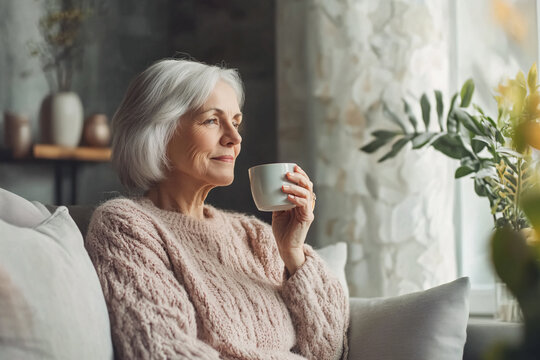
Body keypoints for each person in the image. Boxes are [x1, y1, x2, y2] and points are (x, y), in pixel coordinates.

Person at [85, 58, 349, 360]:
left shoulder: (254, 235)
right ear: (157, 131)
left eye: (235, 122)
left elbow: (329, 351)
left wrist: (294, 254)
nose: (235, 138)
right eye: (212, 120)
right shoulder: (126, 227)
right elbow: (162, 351)